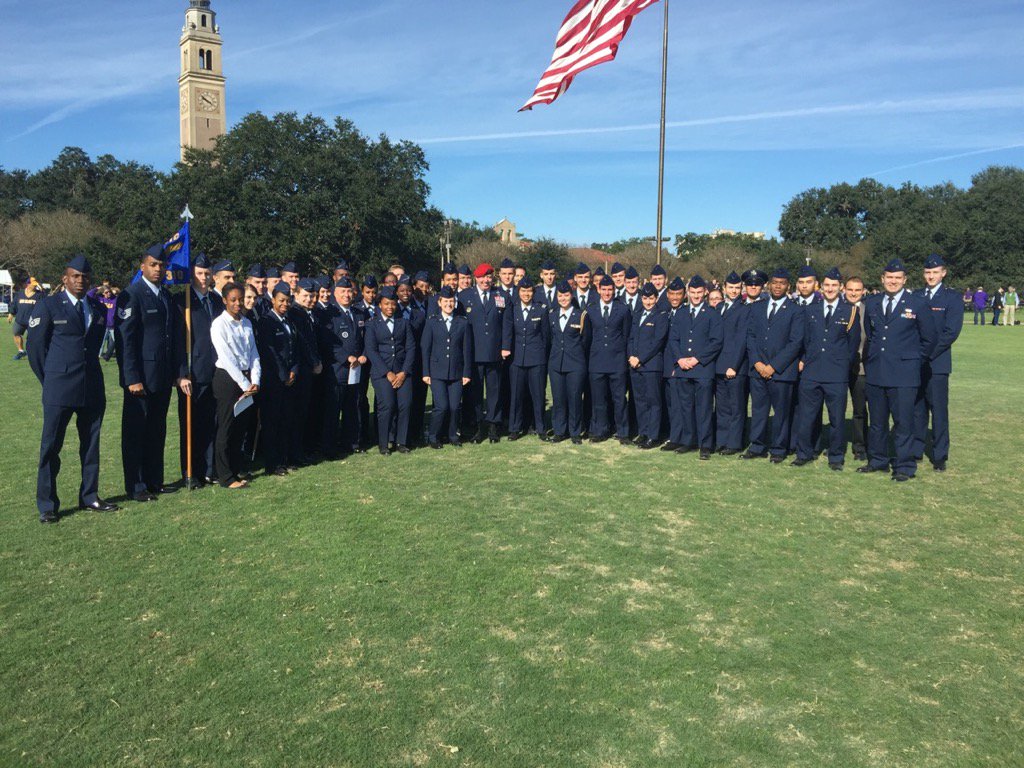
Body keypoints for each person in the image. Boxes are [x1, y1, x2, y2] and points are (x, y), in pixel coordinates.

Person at [28, 255, 118, 522]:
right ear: (65, 279)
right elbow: (35, 349)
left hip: (91, 386)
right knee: (51, 447)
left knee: (90, 445)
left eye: (85, 277)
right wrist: (51, 379)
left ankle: (89, 495)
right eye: (75, 276)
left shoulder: (97, 307)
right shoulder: (49, 306)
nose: (80, 281)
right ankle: (47, 505)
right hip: (59, 387)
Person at [858, 259, 936, 481]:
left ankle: (904, 466)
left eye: (897, 278)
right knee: (877, 422)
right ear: (882, 279)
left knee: (903, 423)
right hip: (877, 371)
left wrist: (912, 361)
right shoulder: (872, 302)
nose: (893, 281)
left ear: (904, 280)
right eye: (889, 277)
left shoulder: (917, 303)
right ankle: (878, 461)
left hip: (904, 374)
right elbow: (871, 334)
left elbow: (929, 338)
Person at [115, 244, 182, 501]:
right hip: (141, 378)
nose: (158, 269)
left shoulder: (165, 295)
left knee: (157, 431)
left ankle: (155, 480)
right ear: (142, 266)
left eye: (161, 265)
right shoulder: (131, 295)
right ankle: (136, 486)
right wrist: (131, 378)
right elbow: (126, 341)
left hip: (162, 376)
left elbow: (171, 338)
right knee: (135, 433)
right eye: (153, 264)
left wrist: (176, 371)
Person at [793, 267, 858, 470]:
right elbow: (805, 340)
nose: (830, 289)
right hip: (812, 372)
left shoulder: (850, 311)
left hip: (836, 374)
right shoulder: (811, 309)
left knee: (836, 418)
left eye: (834, 285)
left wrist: (842, 367)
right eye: (827, 285)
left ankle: (836, 456)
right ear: (821, 286)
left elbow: (852, 345)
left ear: (841, 287)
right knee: (807, 417)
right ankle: (804, 453)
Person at [742, 267, 805, 463]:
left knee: (781, 413)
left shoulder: (796, 310)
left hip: (782, 371)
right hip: (758, 369)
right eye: (775, 283)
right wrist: (757, 362)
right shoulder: (757, 307)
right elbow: (750, 337)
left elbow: (795, 342)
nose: (778, 286)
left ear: (788, 286)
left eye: (782, 283)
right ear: (769, 285)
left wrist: (773, 366)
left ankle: (778, 448)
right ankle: (757, 446)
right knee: (759, 411)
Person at [174, 253, 223, 487]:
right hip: (192, 373)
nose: (204, 277)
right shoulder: (182, 301)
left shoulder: (215, 300)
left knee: (211, 423)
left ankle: (209, 470)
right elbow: (176, 341)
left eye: (207, 273)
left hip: (215, 370)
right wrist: (181, 373)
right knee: (191, 425)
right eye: (200, 273)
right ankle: (190, 472)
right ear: (192, 275)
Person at [912, 254, 964, 472]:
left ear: (943, 273)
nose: (931, 276)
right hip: (915, 363)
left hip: (937, 363)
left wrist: (927, 353)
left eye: (935, 272)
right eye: (927, 272)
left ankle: (940, 455)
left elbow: (951, 332)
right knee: (917, 409)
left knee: (939, 410)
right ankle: (916, 450)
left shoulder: (952, 298)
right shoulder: (915, 295)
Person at [210, 283, 260, 489]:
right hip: (228, 379)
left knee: (241, 428)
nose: (238, 303)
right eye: (233, 300)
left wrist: (255, 379)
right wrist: (244, 383)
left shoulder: (246, 322)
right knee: (227, 427)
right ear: (224, 300)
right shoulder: (219, 324)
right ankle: (225, 476)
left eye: (240, 299)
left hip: (247, 378)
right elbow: (227, 358)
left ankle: (235, 468)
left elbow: (253, 353)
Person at [669, 275, 723, 459]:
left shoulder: (712, 313)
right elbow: (673, 339)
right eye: (693, 292)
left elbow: (716, 342)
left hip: (703, 369)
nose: (696, 296)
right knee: (685, 407)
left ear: (705, 292)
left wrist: (697, 359)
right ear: (688, 293)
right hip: (683, 368)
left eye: (699, 292)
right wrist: (679, 359)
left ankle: (705, 444)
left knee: (704, 408)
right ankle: (688, 441)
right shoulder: (681, 313)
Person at [318, 277, 366, 458]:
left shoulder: (359, 313)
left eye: (349, 291)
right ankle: (329, 448)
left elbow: (365, 339)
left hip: (356, 369)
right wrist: (346, 357)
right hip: (337, 369)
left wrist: (364, 354)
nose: (347, 294)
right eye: (343, 291)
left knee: (352, 407)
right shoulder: (328, 314)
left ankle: (351, 442)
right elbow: (327, 342)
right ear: (335, 293)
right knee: (333, 410)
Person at [459, 263, 508, 443]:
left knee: (495, 392)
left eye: (488, 277)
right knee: (475, 393)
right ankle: (479, 426)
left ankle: (494, 426)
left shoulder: (501, 295)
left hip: (495, 352)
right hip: (473, 353)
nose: (486, 281)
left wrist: (505, 346)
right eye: (482, 277)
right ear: (476, 278)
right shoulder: (464, 296)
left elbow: (507, 323)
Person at [364, 286, 415, 455]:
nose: (390, 307)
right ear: (380, 305)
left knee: (405, 405)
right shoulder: (372, 324)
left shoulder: (403, 323)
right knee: (387, 405)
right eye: (386, 304)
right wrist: (388, 373)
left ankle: (401, 442)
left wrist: (404, 372)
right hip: (382, 373)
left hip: (402, 371)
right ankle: (384, 443)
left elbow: (411, 348)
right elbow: (371, 350)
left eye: (393, 304)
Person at [256, 282, 300, 475]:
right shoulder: (266, 321)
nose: (285, 304)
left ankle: (284, 459)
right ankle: (272, 464)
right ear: (273, 300)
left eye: (288, 301)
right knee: (272, 423)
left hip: (289, 379)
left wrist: (294, 370)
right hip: (273, 380)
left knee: (286, 420)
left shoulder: (289, 321)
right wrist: (283, 375)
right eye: (281, 300)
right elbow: (270, 352)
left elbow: (295, 348)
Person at [421, 286, 473, 448]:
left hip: (457, 372)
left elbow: (467, 350)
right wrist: (426, 372)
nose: (448, 304)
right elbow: (425, 348)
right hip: (437, 372)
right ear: (439, 302)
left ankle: (452, 435)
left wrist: (466, 373)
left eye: (451, 301)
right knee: (441, 406)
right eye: (445, 301)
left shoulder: (462, 322)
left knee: (455, 406)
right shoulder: (432, 322)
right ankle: (433, 436)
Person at [503, 278, 550, 441]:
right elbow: (508, 332)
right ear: (519, 292)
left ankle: (540, 428)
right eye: (523, 291)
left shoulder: (541, 310)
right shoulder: (513, 309)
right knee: (516, 396)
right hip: (517, 360)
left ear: (533, 292)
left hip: (536, 359)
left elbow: (546, 337)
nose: (526, 294)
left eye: (529, 291)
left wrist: (542, 356)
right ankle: (514, 428)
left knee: (538, 396)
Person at [588, 275, 631, 444]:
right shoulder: (591, 309)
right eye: (604, 289)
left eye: (610, 290)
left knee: (619, 399)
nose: (607, 293)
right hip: (597, 361)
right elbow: (587, 337)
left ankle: (623, 432)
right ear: (598, 290)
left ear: (614, 291)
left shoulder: (623, 309)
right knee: (599, 399)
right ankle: (600, 430)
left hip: (617, 361)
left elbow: (626, 336)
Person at [286, 278, 323, 467]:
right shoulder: (295, 313)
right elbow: (303, 342)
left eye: (312, 296)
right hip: (300, 370)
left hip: (307, 370)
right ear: (296, 294)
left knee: (305, 413)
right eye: (306, 296)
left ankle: (302, 450)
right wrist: (315, 362)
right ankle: (295, 453)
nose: (309, 299)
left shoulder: (306, 313)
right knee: (297, 414)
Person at [547, 281, 591, 444]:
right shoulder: (552, 314)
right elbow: (549, 338)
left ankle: (575, 432)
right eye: (560, 296)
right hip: (556, 364)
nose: (563, 298)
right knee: (558, 399)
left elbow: (586, 341)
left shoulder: (581, 315)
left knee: (574, 399)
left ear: (571, 296)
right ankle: (559, 431)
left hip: (575, 364)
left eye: (566, 295)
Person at [628, 283, 669, 449]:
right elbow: (631, 338)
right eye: (645, 298)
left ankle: (653, 435)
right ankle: (643, 432)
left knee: (653, 402)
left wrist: (640, 358)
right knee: (640, 401)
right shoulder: (637, 314)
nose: (648, 301)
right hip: (635, 365)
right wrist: (631, 356)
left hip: (651, 365)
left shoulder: (661, 315)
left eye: (651, 298)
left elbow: (657, 342)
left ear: (656, 298)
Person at [714, 271, 749, 455]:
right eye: (731, 287)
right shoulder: (719, 307)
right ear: (724, 287)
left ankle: (734, 443)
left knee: (736, 408)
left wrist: (734, 366)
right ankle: (722, 440)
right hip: (719, 365)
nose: (734, 291)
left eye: (737, 288)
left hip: (734, 367)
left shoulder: (744, 309)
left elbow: (741, 340)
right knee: (722, 407)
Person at [843, 276, 869, 461]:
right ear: (844, 289)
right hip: (837, 368)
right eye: (850, 289)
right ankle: (836, 444)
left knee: (859, 410)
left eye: (857, 290)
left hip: (860, 368)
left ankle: (860, 446)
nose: (853, 293)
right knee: (836, 409)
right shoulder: (837, 308)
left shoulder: (868, 311)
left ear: (863, 291)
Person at [11, 277, 42, 360]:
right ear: (28, 284)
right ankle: (21, 351)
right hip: (20, 319)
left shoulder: (39, 295)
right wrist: (11, 313)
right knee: (16, 333)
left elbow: (44, 305)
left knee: (31, 337)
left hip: (33, 321)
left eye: (36, 285)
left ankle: (30, 352)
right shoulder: (20, 293)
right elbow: (14, 304)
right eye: (33, 284)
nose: (35, 286)